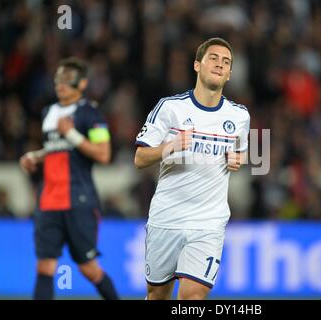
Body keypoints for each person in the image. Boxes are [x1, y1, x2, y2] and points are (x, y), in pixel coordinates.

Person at [134, 37, 250, 300]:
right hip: (167, 219)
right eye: (213, 58)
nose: (220, 65)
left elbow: (241, 154)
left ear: (230, 73)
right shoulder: (170, 108)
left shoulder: (239, 116)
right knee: (157, 296)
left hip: (208, 223)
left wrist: (238, 160)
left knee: (192, 299)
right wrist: (169, 147)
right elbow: (140, 158)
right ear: (197, 65)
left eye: (226, 62)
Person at [19, 57, 119, 300]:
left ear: (82, 83)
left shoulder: (91, 113)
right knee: (44, 267)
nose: (61, 84)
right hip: (49, 200)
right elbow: (57, 149)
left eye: (68, 79)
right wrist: (35, 156)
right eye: (58, 79)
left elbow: (104, 154)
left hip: (79, 200)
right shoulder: (49, 111)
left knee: (88, 269)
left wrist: (72, 134)